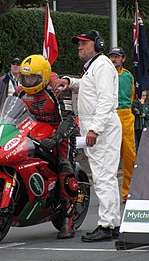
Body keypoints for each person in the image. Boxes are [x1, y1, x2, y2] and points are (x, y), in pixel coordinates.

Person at [52, 30, 122, 242]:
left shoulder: (100, 65)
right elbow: (89, 87)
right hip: (102, 127)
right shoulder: (95, 66)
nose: (79, 47)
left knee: (103, 177)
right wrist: (70, 82)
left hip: (103, 129)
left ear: (97, 44)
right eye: (79, 44)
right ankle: (112, 223)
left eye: (84, 43)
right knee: (104, 177)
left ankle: (107, 225)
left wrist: (95, 129)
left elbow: (105, 100)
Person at [16, 54, 79, 239]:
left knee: (64, 168)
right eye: (25, 77)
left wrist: (55, 138)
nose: (28, 81)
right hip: (34, 131)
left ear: (43, 76)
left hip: (62, 133)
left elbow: (69, 120)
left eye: (32, 77)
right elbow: (10, 113)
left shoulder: (57, 88)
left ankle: (68, 221)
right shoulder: (20, 90)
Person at [108, 47, 136, 203]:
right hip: (111, 115)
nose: (114, 59)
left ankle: (127, 193)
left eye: (117, 57)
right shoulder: (105, 75)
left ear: (123, 59)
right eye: (112, 56)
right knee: (110, 158)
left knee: (130, 157)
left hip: (126, 116)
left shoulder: (128, 76)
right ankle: (109, 194)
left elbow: (131, 96)